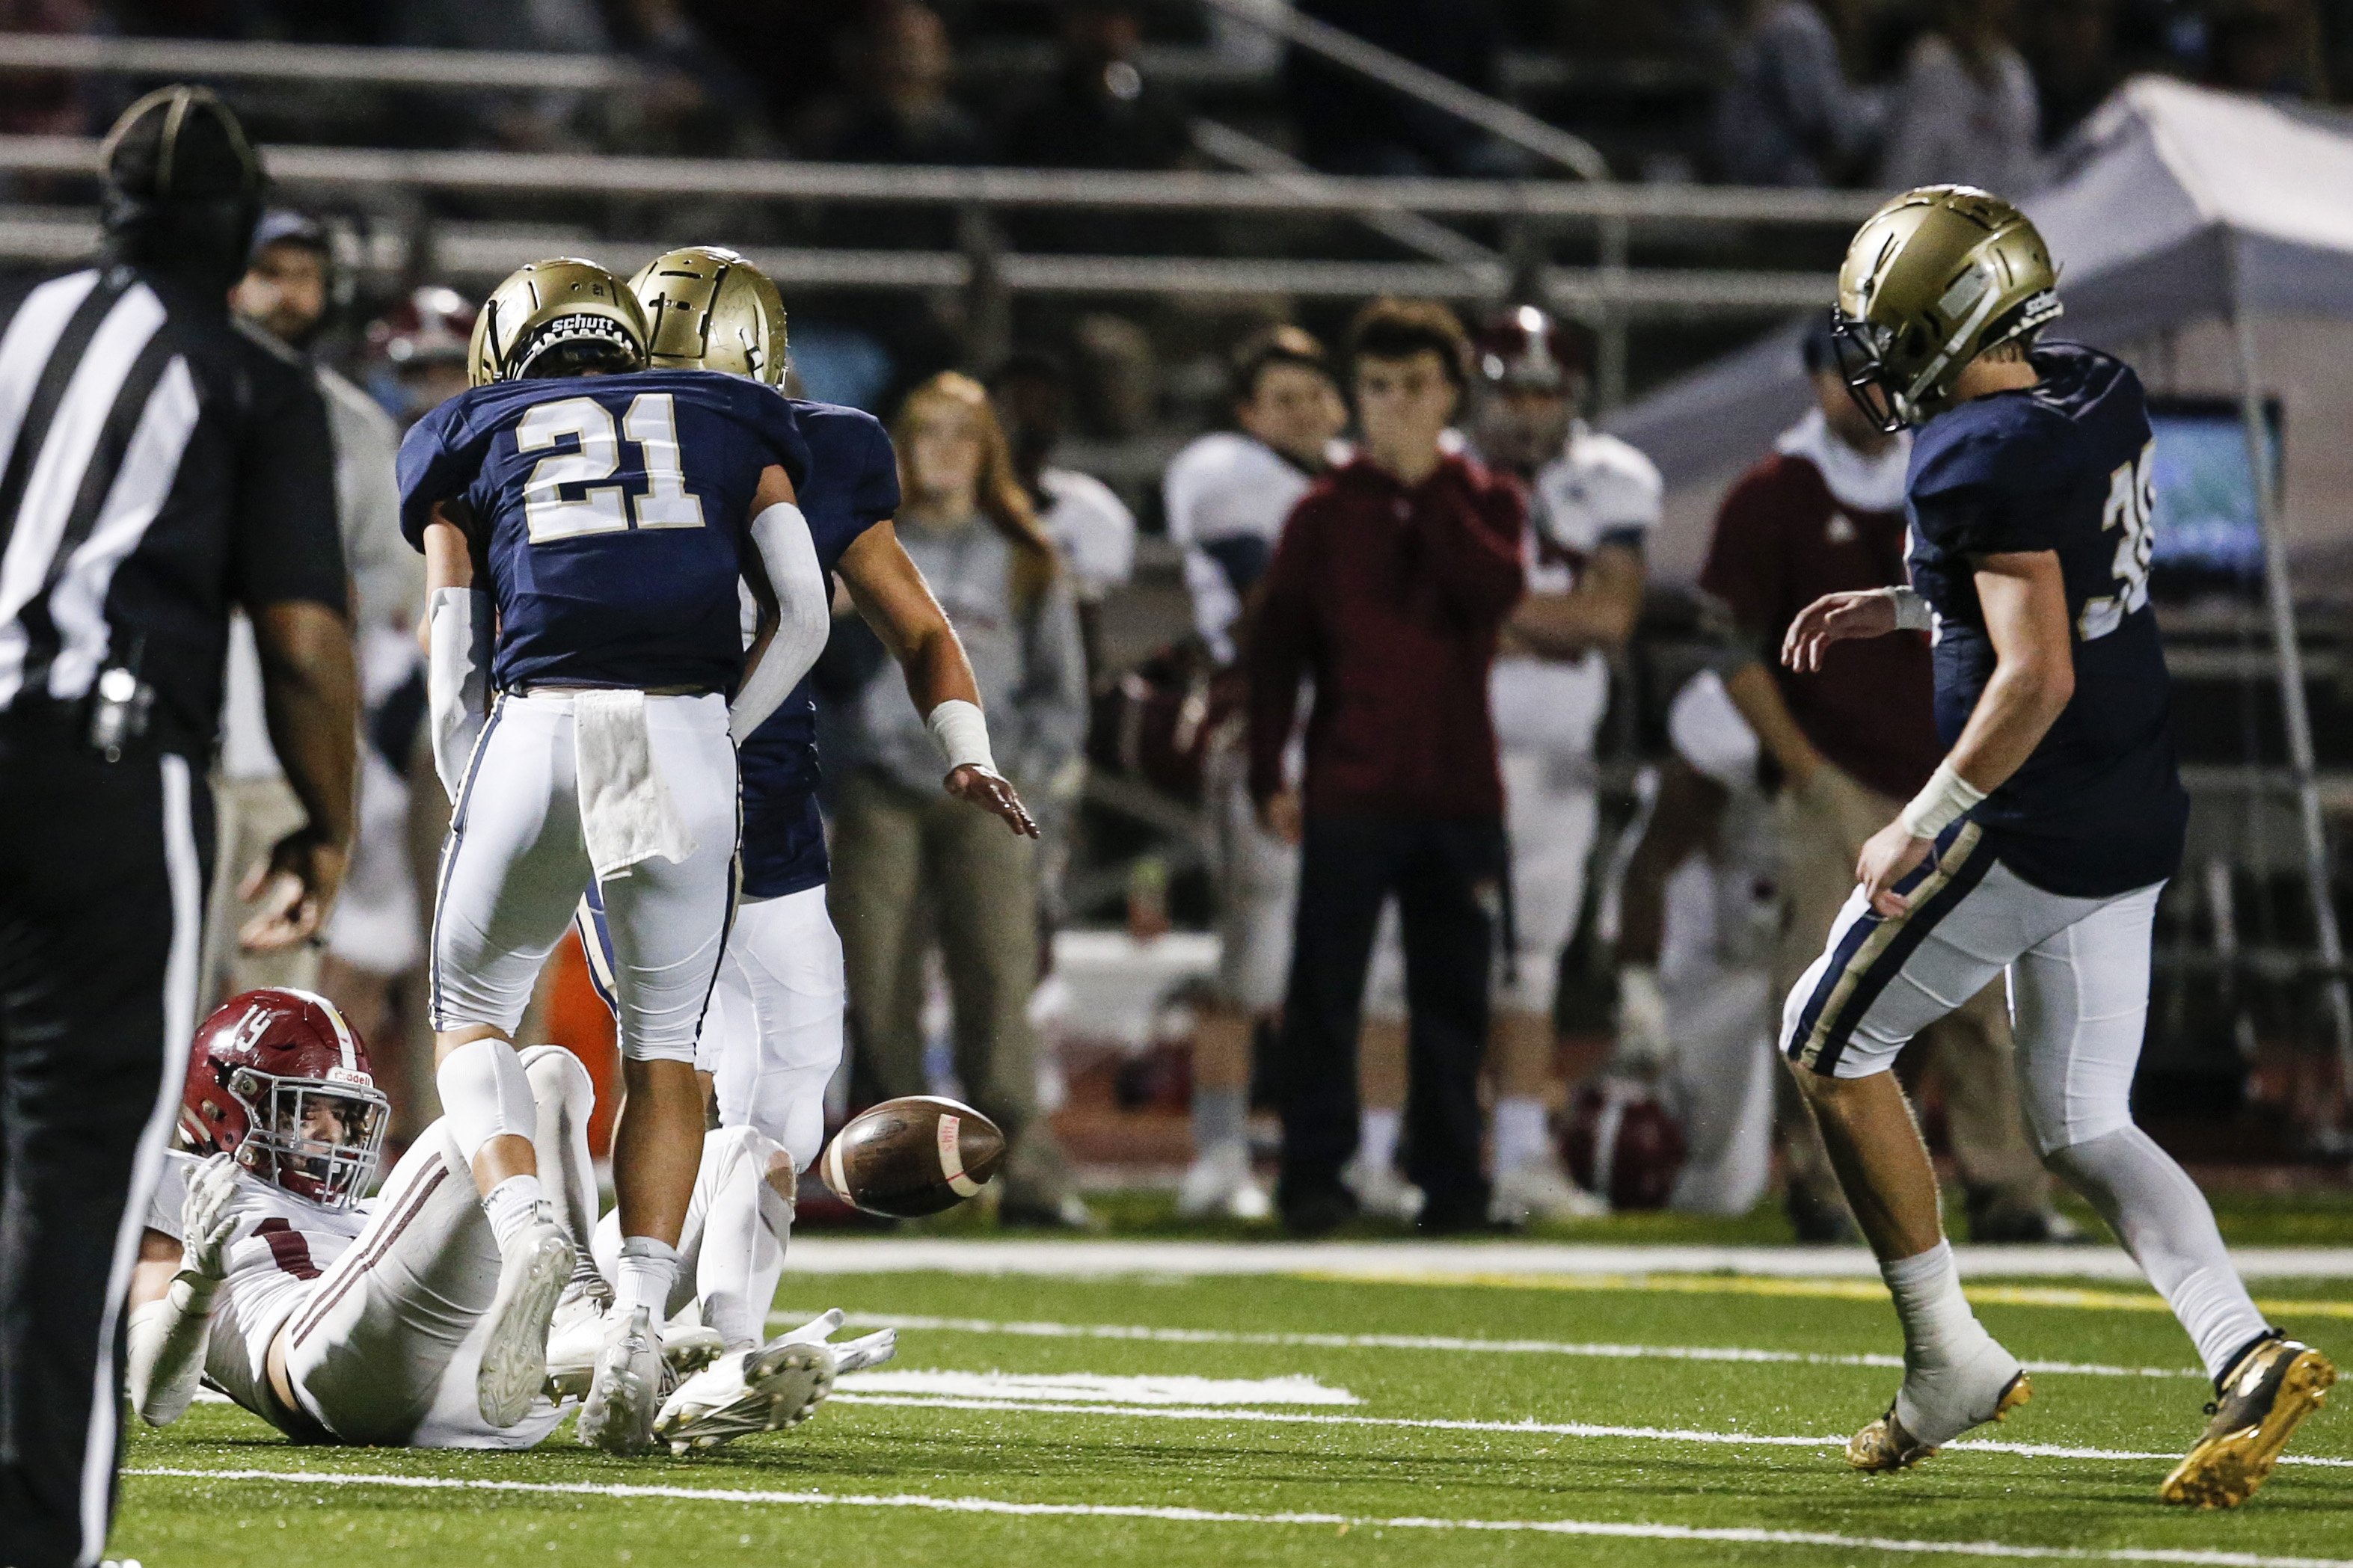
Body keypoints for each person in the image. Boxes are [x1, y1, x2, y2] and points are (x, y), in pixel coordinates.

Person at [1782, 184, 2334, 1503]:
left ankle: (1947, 1357)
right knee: (2081, 1120)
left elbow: (2032, 674)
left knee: (1823, 1036)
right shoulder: (2091, 385)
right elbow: (2052, 575)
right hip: (2134, 795)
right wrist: (1902, 598)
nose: (1875, 362)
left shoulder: (1969, 452)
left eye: (1893, 328)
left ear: (1949, 320)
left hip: (2035, 807)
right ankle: (2246, 1349)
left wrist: (1917, 821)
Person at [571, 248, 1034, 1432]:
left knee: (788, 1083)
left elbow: (913, 620)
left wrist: (962, 741)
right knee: (691, 1064)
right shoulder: (591, 445)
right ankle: (612, 1307)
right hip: (635, 783)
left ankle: (717, 1342)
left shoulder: (810, 449)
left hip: (762, 806)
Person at [0, 87, 356, 1568]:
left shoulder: (18, 328)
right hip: (97, 760)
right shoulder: (247, 374)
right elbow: (306, 637)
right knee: (74, 1163)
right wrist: (326, 820)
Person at [397, 257, 830, 1454]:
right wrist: (717, 738)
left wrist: (474, 782)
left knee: (474, 1012)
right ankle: (642, 1307)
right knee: (668, 1049)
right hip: (683, 727)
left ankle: (531, 1218)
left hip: (535, 724)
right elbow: (804, 614)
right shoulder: (735, 415)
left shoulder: (462, 431)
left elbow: (451, 660)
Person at [125, 988, 891, 1451]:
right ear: (222, 1105)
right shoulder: (185, 1184)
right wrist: (199, 1281)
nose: (330, 1134)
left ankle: (727, 1363)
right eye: (305, 1111)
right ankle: (585, 1317)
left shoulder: (361, 1209)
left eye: (343, 1115)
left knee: (747, 1158)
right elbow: (156, 1402)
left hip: (482, 1390)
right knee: (531, 1079)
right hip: (328, 1367)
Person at [1702, 316, 2067, 1245]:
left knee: (1982, 998)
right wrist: (1807, 773)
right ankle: (1831, 1193)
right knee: (1825, 993)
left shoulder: (1953, 474)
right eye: (1842, 373)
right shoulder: (1771, 495)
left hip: (1951, 773)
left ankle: (2007, 1189)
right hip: (1836, 776)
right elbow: (1730, 651)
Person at [1358, 305, 1651, 1226]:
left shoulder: (1611, 477)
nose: (1525, 412)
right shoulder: (1417, 473)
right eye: (1509, 392)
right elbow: (1402, 624)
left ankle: (1520, 1154)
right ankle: (1372, 1161)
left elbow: (1608, 621)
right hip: (1434, 755)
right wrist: (1531, 620)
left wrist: (1480, 615)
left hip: (1555, 763)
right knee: (1395, 966)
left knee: (1530, 966)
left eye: (1541, 392)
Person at [1248, 298, 1524, 1237]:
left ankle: (1453, 1184)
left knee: (1454, 999)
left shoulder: (1487, 500)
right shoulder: (1322, 514)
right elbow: (1275, 653)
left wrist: (1427, 488)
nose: (1394, 406)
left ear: (1449, 393)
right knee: (1323, 993)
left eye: (1413, 386)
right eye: (1376, 387)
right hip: (1351, 788)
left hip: (1457, 791)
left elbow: (1489, 594)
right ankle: (1312, 1181)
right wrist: (1265, 771)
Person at [828, 372, 1086, 1228]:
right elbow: (815, 675)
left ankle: (1031, 1175)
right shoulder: (863, 544)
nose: (941, 449)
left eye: (959, 433)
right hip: (880, 789)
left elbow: (1060, 694)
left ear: (987, 451)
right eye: (925, 431)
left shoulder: (1024, 556)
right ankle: (893, 1177)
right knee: (875, 985)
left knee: (997, 979)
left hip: (988, 794)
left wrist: (1032, 772)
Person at [218, 211, 425, 1045]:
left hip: (283, 746)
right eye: (270, 270)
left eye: (305, 274)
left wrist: (317, 604)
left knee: (273, 992)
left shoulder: (348, 424)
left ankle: (253, 1172)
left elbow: (392, 574)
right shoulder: (177, 392)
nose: (289, 292)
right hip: (171, 737)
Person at [1162, 325, 1349, 1220]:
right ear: (1245, 413)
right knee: (1252, 958)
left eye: (1314, 395)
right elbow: (1265, 605)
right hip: (1269, 727)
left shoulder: (1355, 477)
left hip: (1357, 737)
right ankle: (1219, 1150)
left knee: (1359, 965)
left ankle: (1345, 1150)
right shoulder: (1224, 472)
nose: (1303, 413)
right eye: (1281, 398)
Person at [1879, 0, 2042, 195]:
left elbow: (2022, 157)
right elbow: (1910, 163)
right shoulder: (1931, 66)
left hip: (2003, 209)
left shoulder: (2014, 73)